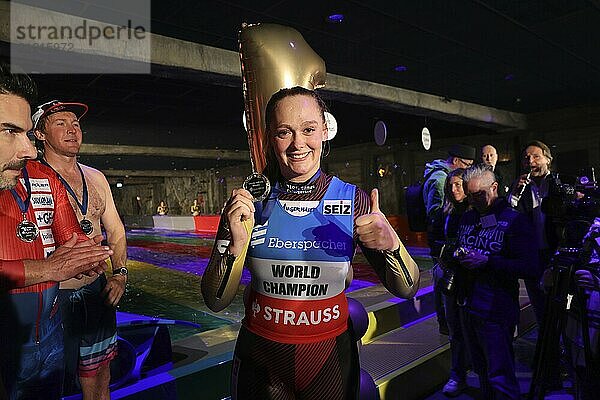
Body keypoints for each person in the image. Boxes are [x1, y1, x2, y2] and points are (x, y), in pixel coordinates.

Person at [201, 86, 420, 400]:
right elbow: (215, 300)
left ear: (324, 132)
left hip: (329, 362)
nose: (297, 144)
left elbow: (406, 288)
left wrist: (391, 244)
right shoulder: (250, 202)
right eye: (284, 133)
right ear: (268, 138)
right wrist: (233, 247)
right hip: (261, 362)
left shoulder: (353, 200)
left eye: (308, 130)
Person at [0, 62, 112, 399]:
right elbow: (59, 262)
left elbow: (72, 241)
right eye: (9, 131)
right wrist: (51, 268)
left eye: (24, 132)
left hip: (49, 335)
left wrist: (95, 259)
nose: (29, 150)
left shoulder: (45, 178)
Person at [33, 100, 128, 400]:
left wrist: (121, 275)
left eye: (75, 123)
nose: (72, 129)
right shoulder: (28, 180)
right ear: (39, 134)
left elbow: (115, 231)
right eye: (60, 123)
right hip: (51, 298)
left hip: (96, 293)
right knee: (46, 385)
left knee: (100, 378)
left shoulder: (96, 178)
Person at [455, 164, 539, 399]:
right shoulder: (468, 217)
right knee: (481, 371)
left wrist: (488, 261)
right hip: (467, 304)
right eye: (469, 195)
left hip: (496, 308)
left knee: (499, 374)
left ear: (494, 188)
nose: (473, 200)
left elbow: (530, 267)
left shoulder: (515, 221)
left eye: (478, 194)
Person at [423, 143, 475, 335]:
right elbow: (435, 213)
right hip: (443, 243)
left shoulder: (438, 174)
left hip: (445, 241)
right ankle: (446, 323)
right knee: (443, 284)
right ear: (455, 161)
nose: (469, 168)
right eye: (466, 164)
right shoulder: (440, 178)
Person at [508, 141, 557, 328]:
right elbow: (509, 219)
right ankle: (546, 350)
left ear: (548, 159)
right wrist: (513, 195)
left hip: (555, 254)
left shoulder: (558, 185)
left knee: (559, 306)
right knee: (539, 307)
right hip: (532, 256)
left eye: (536, 156)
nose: (531, 161)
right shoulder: (520, 188)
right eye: (527, 158)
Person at [437, 168, 470, 397]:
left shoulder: (477, 211)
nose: (453, 189)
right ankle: (457, 374)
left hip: (472, 277)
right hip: (449, 275)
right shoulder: (445, 211)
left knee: (473, 329)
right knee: (454, 330)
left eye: (458, 184)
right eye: (450, 185)